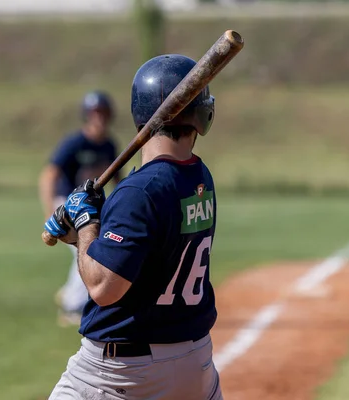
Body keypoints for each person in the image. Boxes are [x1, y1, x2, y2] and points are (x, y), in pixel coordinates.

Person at [43, 53, 222, 399]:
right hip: (195, 365)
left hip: (121, 374)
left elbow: (103, 288)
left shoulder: (141, 189)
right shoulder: (199, 176)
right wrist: (82, 236)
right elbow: (147, 251)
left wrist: (85, 219)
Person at [38, 90, 121, 327]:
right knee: (86, 251)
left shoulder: (108, 145)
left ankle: (68, 293)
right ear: (86, 115)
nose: (99, 118)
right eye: (95, 113)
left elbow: (119, 180)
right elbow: (49, 175)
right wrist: (49, 210)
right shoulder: (75, 143)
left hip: (93, 209)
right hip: (68, 205)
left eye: (103, 112)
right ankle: (72, 306)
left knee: (93, 248)